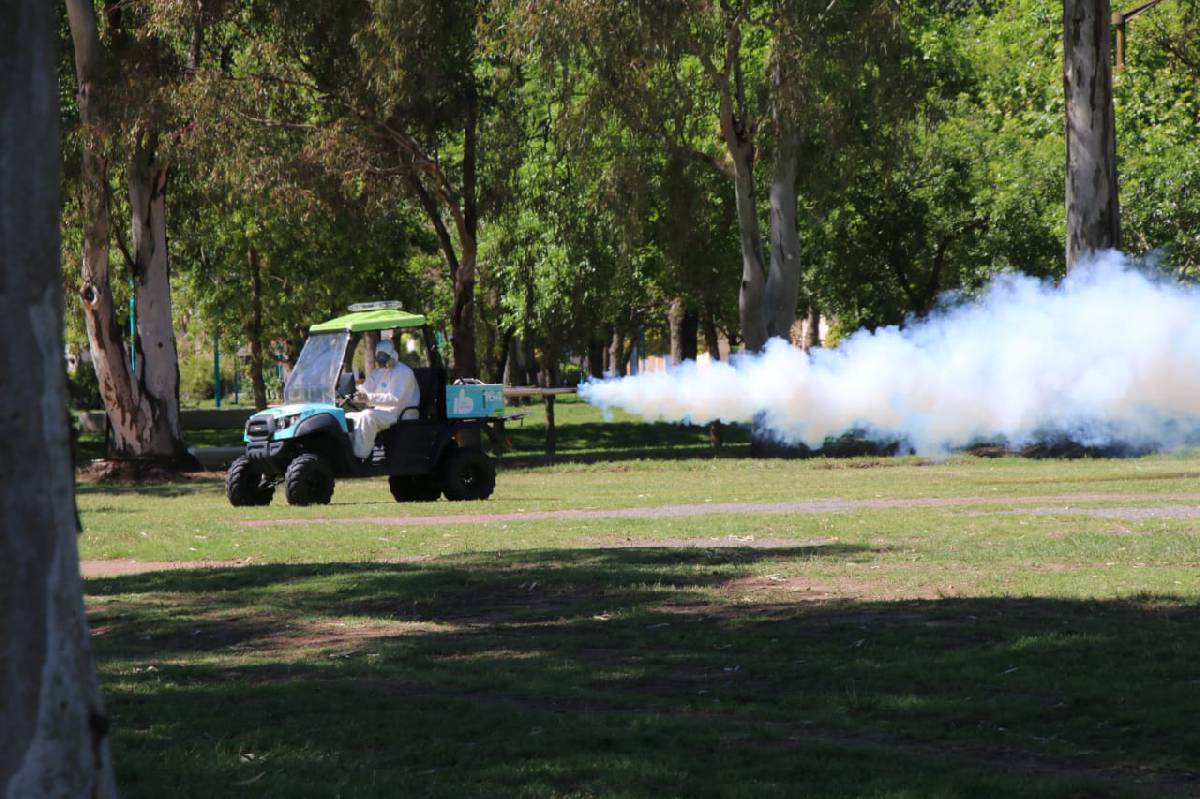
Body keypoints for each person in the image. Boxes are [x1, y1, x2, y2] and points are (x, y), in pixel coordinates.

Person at [346, 340, 419, 459]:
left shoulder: (403, 372)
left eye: (384, 356)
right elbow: (365, 389)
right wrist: (354, 393)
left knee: (367, 416)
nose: (381, 360)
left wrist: (368, 397)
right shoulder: (378, 372)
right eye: (379, 357)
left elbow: (394, 398)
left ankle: (360, 457)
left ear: (392, 354)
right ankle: (348, 452)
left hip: (400, 413)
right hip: (382, 412)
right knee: (349, 417)